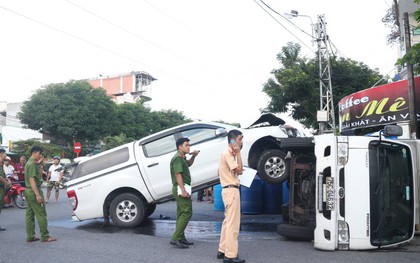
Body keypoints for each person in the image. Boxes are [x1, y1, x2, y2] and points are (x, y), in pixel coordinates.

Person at [217, 130, 245, 263]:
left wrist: (237, 153)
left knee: (227, 222)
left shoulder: (229, 154)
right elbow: (239, 170)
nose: (241, 141)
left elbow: (239, 170)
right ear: (233, 141)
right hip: (231, 190)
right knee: (233, 225)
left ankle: (222, 250)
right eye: (240, 139)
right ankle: (230, 255)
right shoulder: (228, 154)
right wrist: (238, 152)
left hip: (229, 190)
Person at [170, 137, 199, 249]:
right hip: (180, 187)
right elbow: (178, 175)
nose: (189, 147)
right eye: (186, 145)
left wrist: (193, 156)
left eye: (189, 145)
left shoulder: (182, 157)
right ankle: (176, 238)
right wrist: (183, 190)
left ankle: (180, 238)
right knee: (187, 212)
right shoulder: (177, 158)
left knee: (181, 213)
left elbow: (189, 164)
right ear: (180, 147)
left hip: (182, 187)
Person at [25, 146, 56, 243]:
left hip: (28, 191)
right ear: (34, 153)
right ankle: (45, 236)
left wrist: (39, 163)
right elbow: (32, 180)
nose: (40, 156)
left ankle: (30, 236)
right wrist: (37, 195)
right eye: (39, 154)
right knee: (41, 214)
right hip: (34, 190)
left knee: (29, 215)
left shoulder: (30, 163)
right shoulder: (32, 165)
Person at [0, 149, 12, 231]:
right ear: (1, 154)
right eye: (4, 154)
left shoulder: (1, 165)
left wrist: (8, 180)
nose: (5, 156)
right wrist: (6, 182)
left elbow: (3, 175)